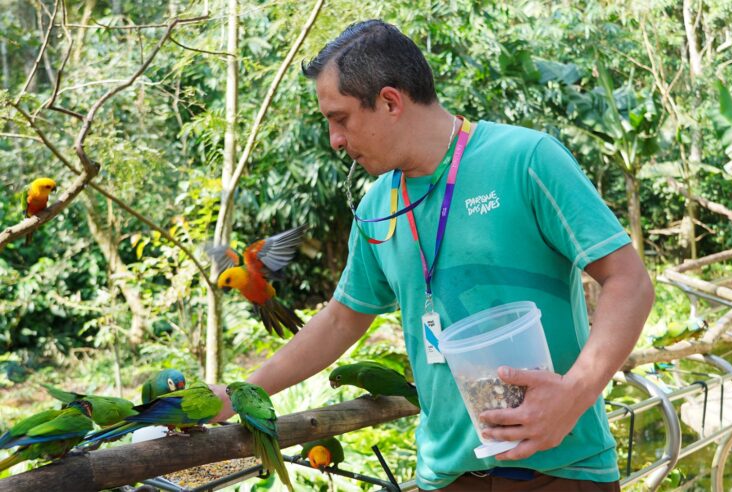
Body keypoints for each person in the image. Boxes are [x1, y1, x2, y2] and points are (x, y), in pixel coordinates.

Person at [211, 19, 654, 491]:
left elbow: (629, 280)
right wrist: (240, 395)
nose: (335, 141)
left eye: (339, 119)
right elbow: (342, 319)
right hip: (446, 476)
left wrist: (574, 394)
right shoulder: (377, 206)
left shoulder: (526, 159)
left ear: (389, 101)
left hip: (559, 469)